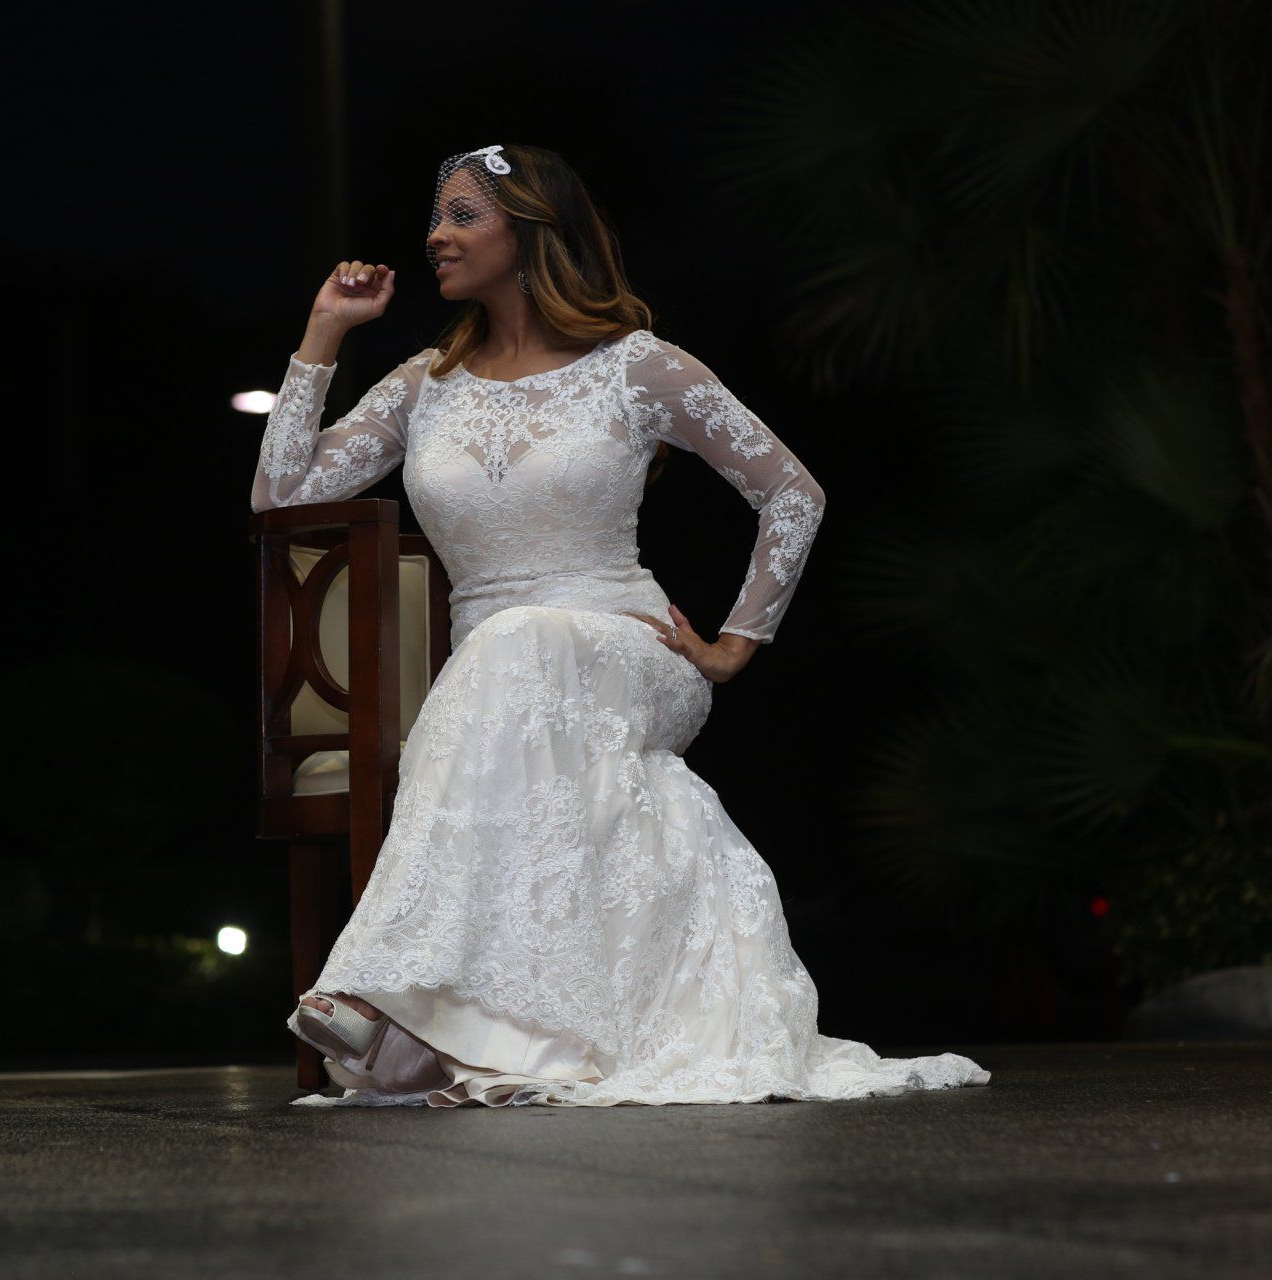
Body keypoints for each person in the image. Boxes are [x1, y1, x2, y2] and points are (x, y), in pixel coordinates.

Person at [252, 143, 991, 1107]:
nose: (435, 234)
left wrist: (734, 644)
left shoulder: (639, 367)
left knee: (514, 649)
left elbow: (792, 495)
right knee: (505, 653)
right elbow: (282, 497)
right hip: (498, 672)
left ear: (532, 230)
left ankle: (380, 995)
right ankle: (471, 1023)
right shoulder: (422, 384)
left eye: (464, 214)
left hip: (627, 645)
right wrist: (321, 335)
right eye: (437, 215)